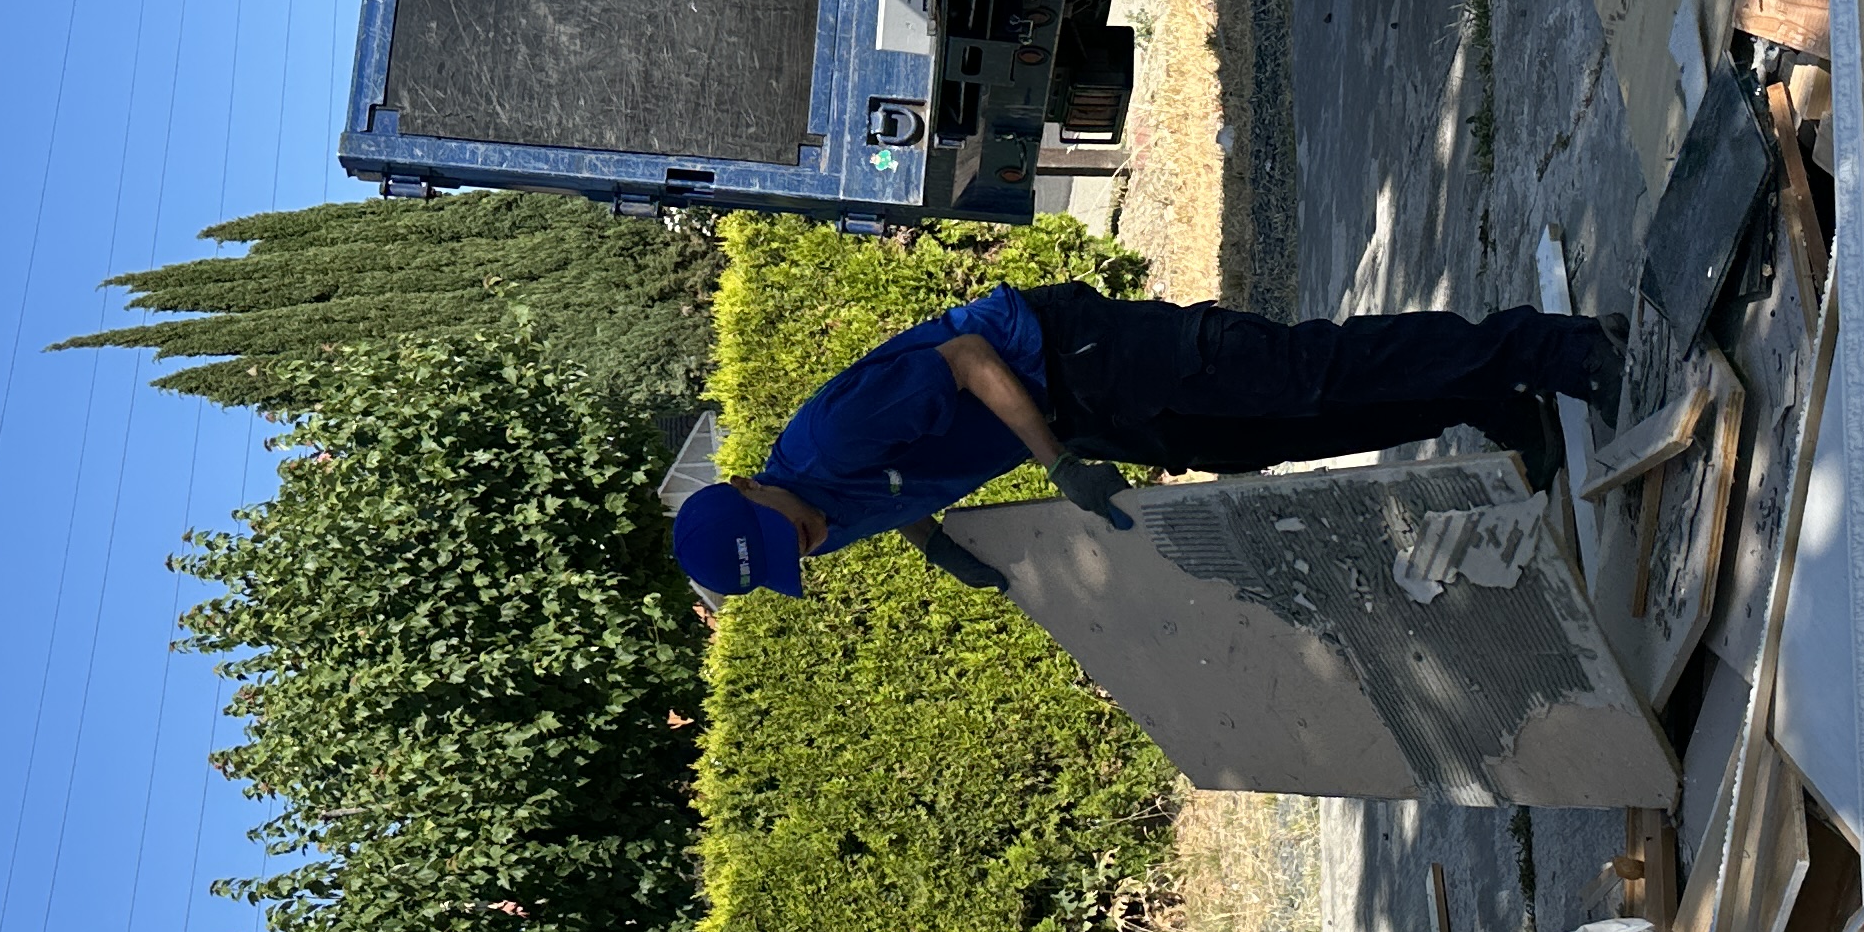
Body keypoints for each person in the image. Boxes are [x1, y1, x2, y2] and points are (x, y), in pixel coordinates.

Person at [669, 279, 1630, 600]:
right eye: (789, 559)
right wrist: (935, 545)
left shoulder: (830, 439)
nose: (805, 544)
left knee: (1301, 373)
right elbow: (898, 494)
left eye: (781, 530)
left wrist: (1055, 465)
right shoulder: (818, 518)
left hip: (1072, 356)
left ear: (752, 484)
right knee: (1279, 440)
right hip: (1082, 413)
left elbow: (963, 359)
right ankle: (1487, 399)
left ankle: (1554, 347)